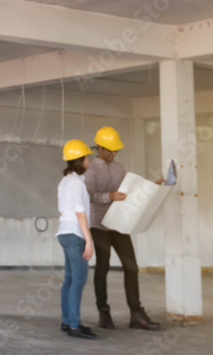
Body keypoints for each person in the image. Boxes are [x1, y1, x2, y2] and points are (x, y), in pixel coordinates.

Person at [83, 126, 160, 331]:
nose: (113, 153)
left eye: (115, 150)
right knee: (103, 267)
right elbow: (87, 195)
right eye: (109, 150)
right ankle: (103, 312)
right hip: (99, 225)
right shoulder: (90, 169)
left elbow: (131, 191)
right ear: (99, 147)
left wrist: (153, 186)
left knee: (131, 266)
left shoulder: (119, 168)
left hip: (120, 224)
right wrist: (109, 196)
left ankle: (136, 314)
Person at [56, 139, 97, 340]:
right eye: (87, 157)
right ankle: (74, 325)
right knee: (78, 280)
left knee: (70, 279)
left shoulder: (65, 182)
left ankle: (67, 321)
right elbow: (80, 213)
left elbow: (62, 210)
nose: (89, 160)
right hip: (75, 234)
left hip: (64, 232)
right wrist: (88, 240)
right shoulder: (76, 184)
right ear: (80, 160)